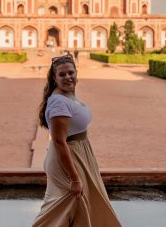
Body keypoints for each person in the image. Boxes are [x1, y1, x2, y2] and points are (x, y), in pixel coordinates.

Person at [32, 55, 122, 227]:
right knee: (59, 212)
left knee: (79, 208)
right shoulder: (59, 103)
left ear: (76, 73)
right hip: (69, 159)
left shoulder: (68, 96)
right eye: (62, 74)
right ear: (54, 78)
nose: (68, 77)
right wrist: (74, 179)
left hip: (78, 155)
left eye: (71, 72)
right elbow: (59, 142)